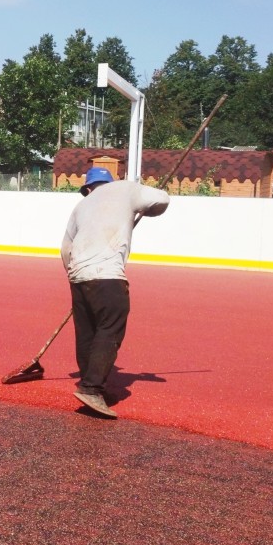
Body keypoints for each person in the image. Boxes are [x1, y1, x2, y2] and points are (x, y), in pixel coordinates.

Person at [60, 167, 170, 417]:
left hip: (78, 276)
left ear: (87, 188)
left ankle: (87, 382)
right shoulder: (125, 188)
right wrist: (145, 208)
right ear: (110, 182)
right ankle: (91, 388)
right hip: (108, 275)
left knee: (86, 333)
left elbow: (65, 249)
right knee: (110, 330)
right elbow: (162, 200)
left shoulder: (81, 207)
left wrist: (76, 277)